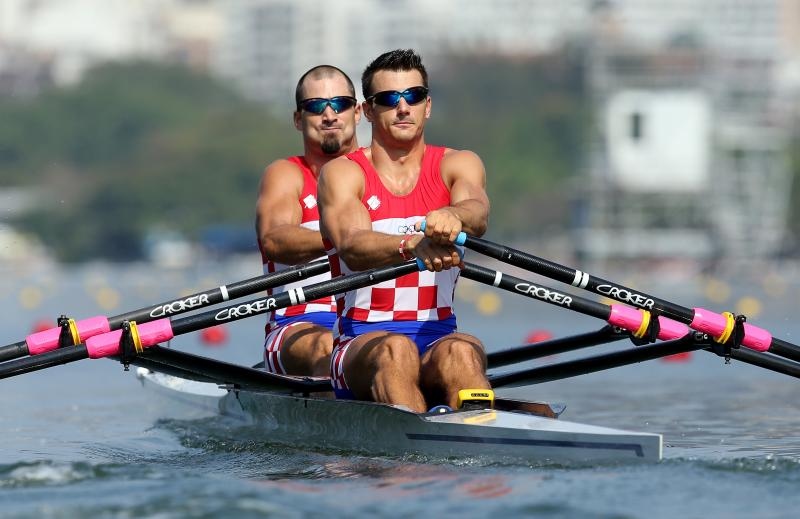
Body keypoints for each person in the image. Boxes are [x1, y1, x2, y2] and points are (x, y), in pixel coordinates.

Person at [317, 49, 491, 412]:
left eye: (412, 96)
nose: (402, 107)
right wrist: (411, 244)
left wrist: (453, 215)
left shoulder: (458, 163)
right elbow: (353, 244)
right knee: (397, 350)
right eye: (388, 99)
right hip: (361, 343)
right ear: (367, 111)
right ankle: (413, 459)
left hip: (437, 337)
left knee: (462, 349)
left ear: (427, 105)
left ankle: (479, 444)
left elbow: (477, 211)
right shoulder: (342, 173)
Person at [255, 65, 361, 377]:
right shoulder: (286, 175)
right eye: (316, 107)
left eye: (340, 104)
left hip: (370, 322)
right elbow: (275, 240)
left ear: (357, 112)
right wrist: (350, 240)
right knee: (326, 346)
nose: (330, 115)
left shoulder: (380, 175)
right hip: (298, 326)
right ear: (298, 119)